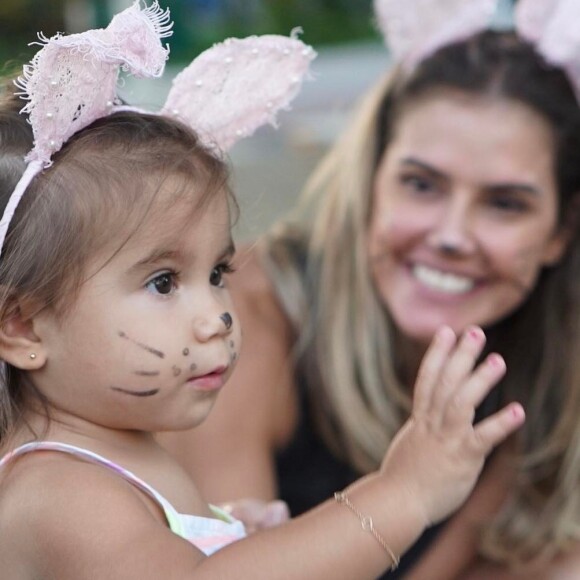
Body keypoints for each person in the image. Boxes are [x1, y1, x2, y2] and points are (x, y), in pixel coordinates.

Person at [0, 2, 524, 579]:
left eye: (218, 273)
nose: (217, 319)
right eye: (163, 282)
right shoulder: (58, 488)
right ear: (23, 326)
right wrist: (403, 494)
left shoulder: (120, 456)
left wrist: (232, 541)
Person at [159, 0, 580, 577]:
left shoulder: (544, 366)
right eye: (421, 184)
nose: (451, 235)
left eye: (505, 204)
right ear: (373, 180)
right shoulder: (246, 319)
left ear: (561, 231)